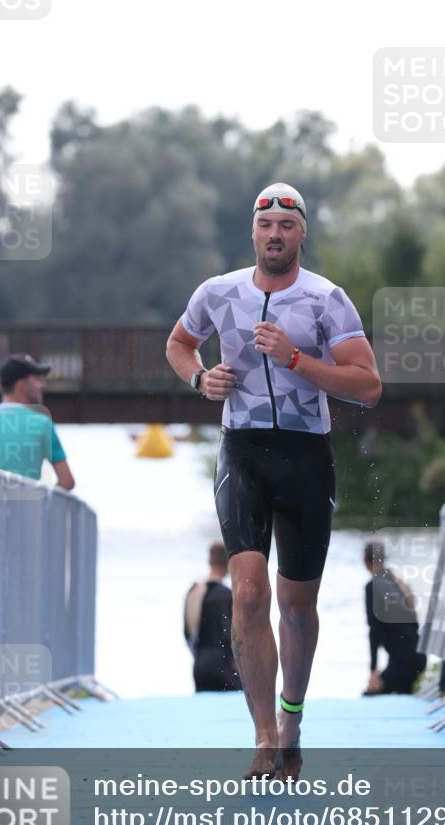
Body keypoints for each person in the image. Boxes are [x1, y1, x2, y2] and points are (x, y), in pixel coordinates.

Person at [166, 182, 382, 779]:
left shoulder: (326, 300)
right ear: (253, 232)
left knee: (296, 606)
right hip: (243, 452)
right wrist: (199, 379)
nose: (275, 235)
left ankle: (291, 718)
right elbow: (180, 344)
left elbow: (367, 386)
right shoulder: (218, 292)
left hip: (306, 456)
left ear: (301, 233)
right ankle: (263, 736)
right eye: (266, 226)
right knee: (248, 591)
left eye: (287, 225)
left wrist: (295, 359)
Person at [0, 353, 75, 489]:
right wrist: (42, 500)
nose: (42, 385)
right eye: (37, 379)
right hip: (27, 502)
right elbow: (67, 481)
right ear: (21, 384)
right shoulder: (42, 424)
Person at [362, 540, 426, 695]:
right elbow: (414, 622)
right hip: (419, 656)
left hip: (403, 662)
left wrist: (373, 671)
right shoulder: (398, 582)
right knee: (404, 694)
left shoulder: (372, 587)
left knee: (369, 696)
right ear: (384, 559)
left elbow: (374, 630)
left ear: (365, 561)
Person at [184, 541, 242, 692]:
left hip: (199, 664)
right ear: (228, 563)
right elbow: (228, 634)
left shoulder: (194, 591)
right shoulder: (225, 595)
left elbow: (187, 632)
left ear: (209, 561)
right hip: (222, 666)